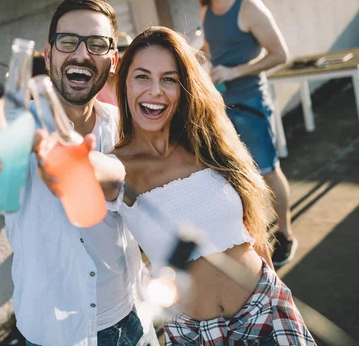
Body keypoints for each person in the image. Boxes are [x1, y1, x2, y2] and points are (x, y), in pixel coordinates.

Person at [0, 0, 158, 346]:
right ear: (50, 52)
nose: (81, 54)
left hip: (129, 318)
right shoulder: (15, 129)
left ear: (114, 60)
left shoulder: (129, 128)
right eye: (68, 41)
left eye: (97, 44)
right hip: (53, 333)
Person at [101, 26, 314, 344]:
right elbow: (82, 173)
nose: (155, 91)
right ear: (124, 83)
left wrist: (279, 295)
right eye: (142, 76)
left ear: (183, 86)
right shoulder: (115, 167)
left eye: (169, 79)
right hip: (193, 334)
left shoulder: (206, 141)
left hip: (264, 309)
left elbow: (251, 229)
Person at [179, 0, 297, 266]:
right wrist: (194, 57)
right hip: (220, 105)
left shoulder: (249, 7)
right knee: (234, 174)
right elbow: (212, 47)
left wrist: (235, 71)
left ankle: (285, 233)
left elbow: (280, 54)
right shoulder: (207, 9)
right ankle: (250, 236)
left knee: (268, 171)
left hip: (251, 102)